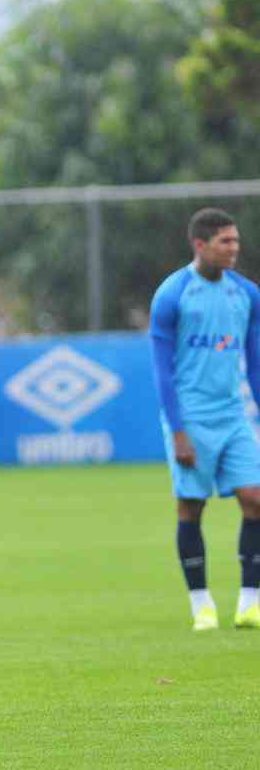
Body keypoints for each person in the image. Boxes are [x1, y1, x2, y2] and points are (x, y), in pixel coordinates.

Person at [150, 207, 260, 632]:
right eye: (225, 242)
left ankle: (250, 603)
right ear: (201, 245)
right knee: (191, 507)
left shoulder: (247, 294)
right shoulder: (173, 295)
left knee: (254, 499)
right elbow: (162, 370)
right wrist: (178, 430)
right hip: (190, 417)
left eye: (236, 241)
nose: (235, 248)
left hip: (233, 415)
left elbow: (255, 364)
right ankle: (202, 606)